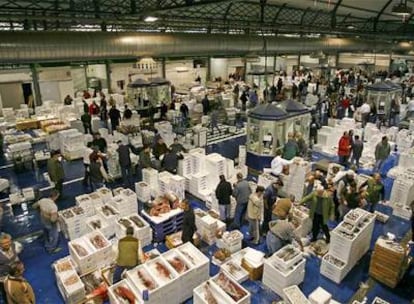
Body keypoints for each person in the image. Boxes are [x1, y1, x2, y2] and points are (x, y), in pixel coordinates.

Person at [0, 234, 20, 302]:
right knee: (6, 292)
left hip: (14, 273)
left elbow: (16, 257)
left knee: (17, 289)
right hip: (3, 277)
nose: (7, 244)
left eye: (8, 242)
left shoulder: (14, 245)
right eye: (3, 243)